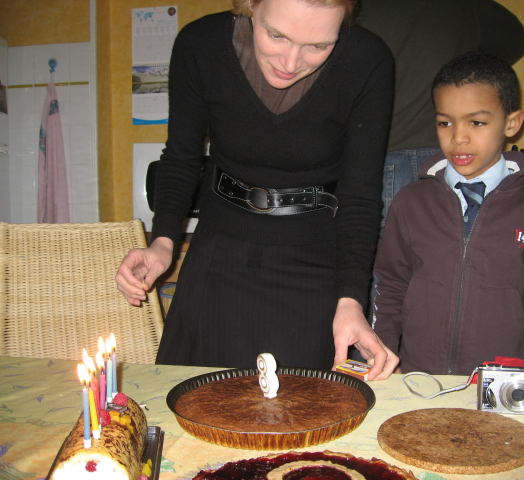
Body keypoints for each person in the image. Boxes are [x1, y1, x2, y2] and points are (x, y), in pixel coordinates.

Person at [115, 0, 399, 379]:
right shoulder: (200, 44)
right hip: (219, 252)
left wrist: (351, 301)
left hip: (313, 260)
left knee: (302, 406)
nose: (291, 62)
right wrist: (163, 241)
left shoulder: (367, 60)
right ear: (251, 5)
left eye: (318, 45)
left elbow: (360, 195)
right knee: (194, 397)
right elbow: (181, 157)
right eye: (276, 35)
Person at [372, 51, 524, 375]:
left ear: (512, 123)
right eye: (445, 122)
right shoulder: (411, 202)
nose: (458, 137)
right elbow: (389, 287)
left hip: (501, 384)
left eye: (477, 122)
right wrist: (383, 354)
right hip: (419, 381)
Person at [357, 0, 524, 226]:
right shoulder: (463, 7)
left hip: (393, 154)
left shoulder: (359, 8)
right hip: (436, 157)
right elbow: (514, 40)